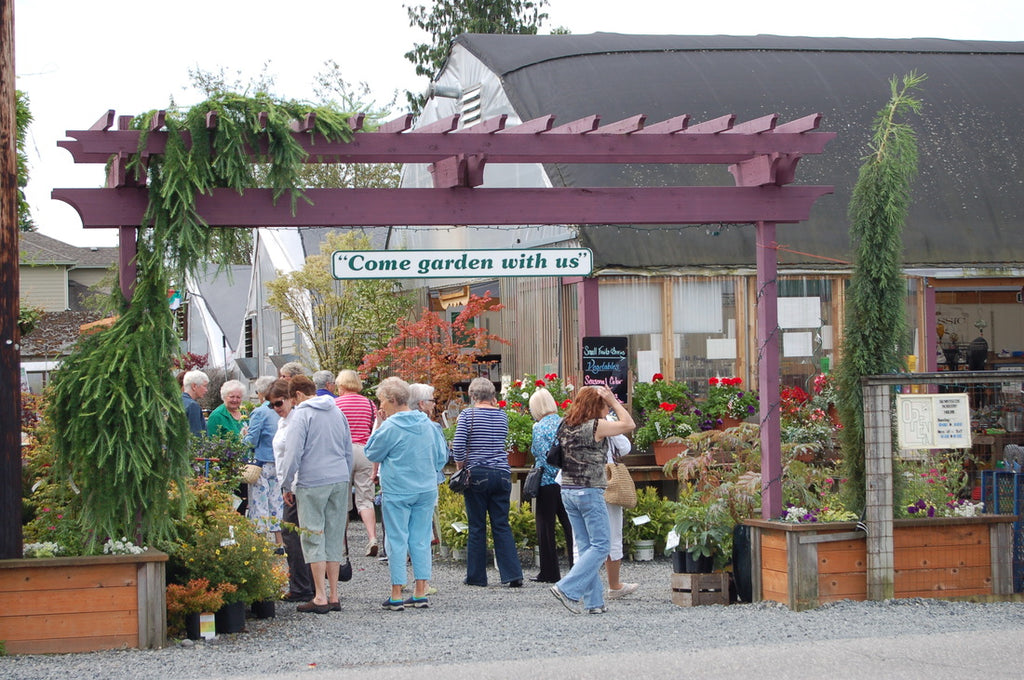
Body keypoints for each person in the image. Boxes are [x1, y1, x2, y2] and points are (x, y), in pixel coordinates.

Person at [549, 385, 634, 615]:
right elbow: (629, 425)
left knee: (586, 546)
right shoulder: (596, 426)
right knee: (601, 545)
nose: (607, 408)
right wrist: (615, 402)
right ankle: (566, 588)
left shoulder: (566, 424)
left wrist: (609, 401)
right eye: (604, 404)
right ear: (596, 405)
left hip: (567, 490)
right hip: (589, 490)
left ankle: (594, 602)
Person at [365, 377, 448, 610]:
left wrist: (379, 424)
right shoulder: (429, 425)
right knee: (421, 538)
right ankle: (421, 590)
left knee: (397, 538)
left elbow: (372, 452)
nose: (380, 406)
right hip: (425, 487)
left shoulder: (390, 426)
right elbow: (441, 458)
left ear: (392, 400)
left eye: (382, 401)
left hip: (398, 489)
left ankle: (396, 593)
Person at [278, 375, 354, 614]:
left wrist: (286, 484)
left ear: (298, 395)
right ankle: (334, 594)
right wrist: (346, 478)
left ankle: (319, 596)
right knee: (333, 536)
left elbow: (293, 452)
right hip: (339, 478)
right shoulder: (337, 411)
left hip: (312, 480)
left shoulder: (301, 414)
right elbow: (347, 449)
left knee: (312, 535)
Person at [451, 377, 523, 588]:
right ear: (493, 396)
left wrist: (460, 466)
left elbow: (458, 446)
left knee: (477, 526)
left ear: (472, 396)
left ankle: (477, 576)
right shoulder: (502, 416)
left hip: (477, 474)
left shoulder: (467, 415)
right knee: (501, 524)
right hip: (501, 473)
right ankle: (512, 574)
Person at [269, 378, 315, 603]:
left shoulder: (296, 420)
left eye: (279, 403)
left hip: (297, 485)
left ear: (290, 399)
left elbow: (295, 454)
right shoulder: (284, 421)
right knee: (298, 533)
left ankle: (302, 585)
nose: (276, 409)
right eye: (272, 405)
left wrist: (289, 485)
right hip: (289, 484)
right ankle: (306, 583)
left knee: (293, 533)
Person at [528, 387, 573, 583]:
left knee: (546, 527)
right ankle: (576, 567)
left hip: (546, 481)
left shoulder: (538, 427)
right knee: (571, 525)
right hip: (566, 479)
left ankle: (549, 572)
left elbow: (540, 453)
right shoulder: (566, 422)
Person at [334, 369, 379, 557]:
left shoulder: (335, 405)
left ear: (341, 384)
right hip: (365, 450)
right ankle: (372, 538)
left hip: (343, 452)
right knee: (365, 499)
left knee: (341, 501)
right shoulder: (369, 404)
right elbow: (375, 428)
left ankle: (342, 545)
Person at [243, 376, 284, 552]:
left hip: (261, 462)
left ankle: (259, 543)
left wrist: (242, 437)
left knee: (259, 502)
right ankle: (279, 542)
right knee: (276, 501)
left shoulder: (260, 412)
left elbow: (252, 439)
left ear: (261, 393)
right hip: (278, 462)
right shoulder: (281, 410)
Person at [604, 430, 639, 600]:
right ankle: (614, 584)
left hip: (574, 482)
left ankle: (582, 586)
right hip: (606, 479)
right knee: (612, 533)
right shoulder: (605, 421)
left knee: (581, 537)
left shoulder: (571, 419)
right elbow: (624, 447)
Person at [181, 370, 209, 435]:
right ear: (194, 386)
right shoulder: (192, 406)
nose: (206, 390)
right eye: (204, 386)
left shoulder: (177, 401)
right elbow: (196, 437)